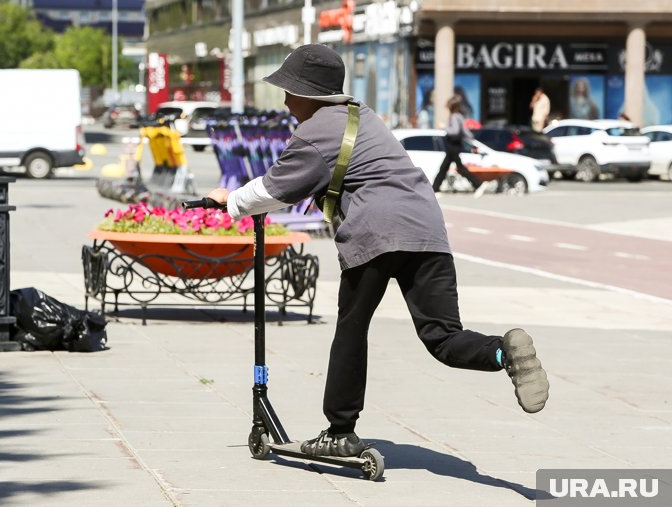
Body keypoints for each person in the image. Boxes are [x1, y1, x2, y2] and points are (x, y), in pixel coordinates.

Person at [204, 44, 549, 458]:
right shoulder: (364, 117)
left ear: (309, 94)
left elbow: (275, 189)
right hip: (427, 228)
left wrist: (229, 201)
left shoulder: (315, 130)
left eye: (288, 90)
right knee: (442, 336)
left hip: (376, 232)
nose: (284, 99)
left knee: (352, 328)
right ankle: (501, 350)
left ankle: (339, 430)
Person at [433, 95, 488, 197]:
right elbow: (465, 132)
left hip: (453, 146)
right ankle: (435, 189)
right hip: (455, 146)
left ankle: (478, 185)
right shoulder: (459, 116)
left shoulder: (454, 116)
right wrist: (471, 139)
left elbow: (455, 131)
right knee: (448, 168)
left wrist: (444, 127)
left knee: (452, 168)